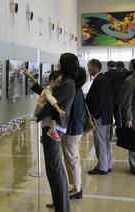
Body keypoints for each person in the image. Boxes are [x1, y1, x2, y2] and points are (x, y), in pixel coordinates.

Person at [23, 53, 79, 212]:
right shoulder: (68, 82)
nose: (58, 63)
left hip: (53, 128)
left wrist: (38, 115)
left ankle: (62, 207)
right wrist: (33, 81)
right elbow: (48, 95)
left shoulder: (67, 83)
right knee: (54, 168)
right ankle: (60, 204)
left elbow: (49, 103)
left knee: (55, 169)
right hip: (53, 127)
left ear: (65, 63)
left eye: (60, 61)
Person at [61, 66, 87, 199]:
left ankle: (77, 189)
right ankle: (77, 187)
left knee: (72, 159)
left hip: (73, 129)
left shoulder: (74, 90)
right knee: (73, 157)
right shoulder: (78, 90)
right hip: (77, 127)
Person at [86, 59, 113, 175]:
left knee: (100, 142)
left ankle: (102, 167)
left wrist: (93, 115)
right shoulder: (105, 78)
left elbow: (98, 101)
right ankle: (108, 164)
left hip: (100, 116)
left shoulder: (98, 80)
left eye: (89, 67)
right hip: (107, 115)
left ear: (95, 67)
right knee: (106, 142)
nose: (88, 69)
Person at [32, 70, 66, 141]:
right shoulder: (48, 89)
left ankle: (43, 136)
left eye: (59, 82)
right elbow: (50, 99)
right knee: (54, 110)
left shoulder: (54, 89)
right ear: (49, 82)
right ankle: (52, 130)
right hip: (40, 107)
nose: (56, 84)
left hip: (43, 106)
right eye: (54, 82)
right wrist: (58, 109)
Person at [105, 60, 126, 138]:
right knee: (118, 118)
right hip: (119, 99)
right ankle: (119, 135)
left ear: (109, 66)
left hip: (109, 100)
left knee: (109, 118)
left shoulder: (106, 74)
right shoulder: (122, 75)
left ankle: (109, 135)